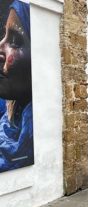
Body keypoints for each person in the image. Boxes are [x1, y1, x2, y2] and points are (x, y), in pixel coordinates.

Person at [0, 0, 33, 173]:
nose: (0, 48)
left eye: (14, 41)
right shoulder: (7, 116)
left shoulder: (32, 133)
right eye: (4, 35)